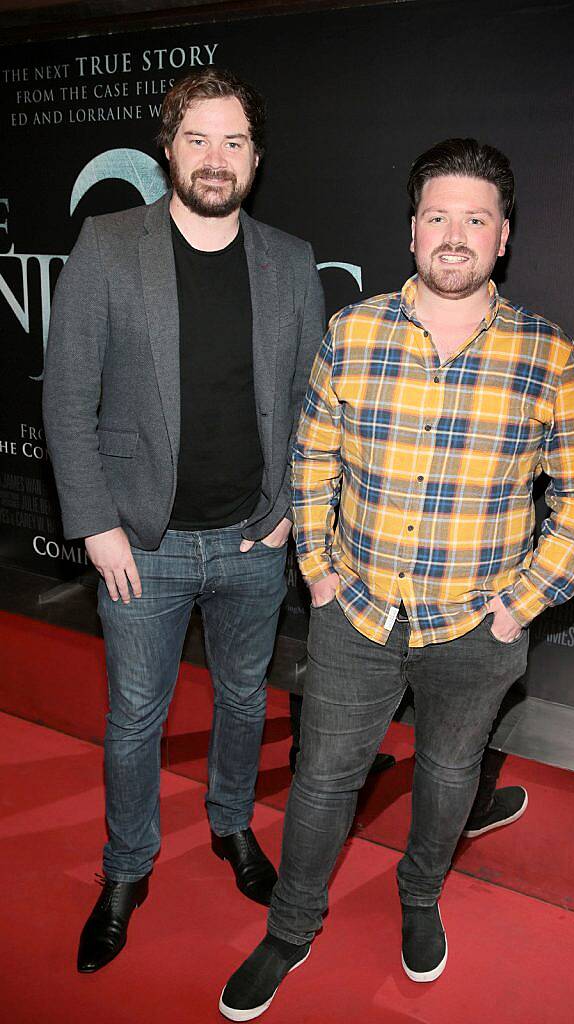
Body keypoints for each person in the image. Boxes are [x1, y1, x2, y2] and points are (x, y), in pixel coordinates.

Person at [219, 138, 574, 1020]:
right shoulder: (353, 332)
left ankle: (420, 895)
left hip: (477, 629)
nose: (455, 234)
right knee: (322, 779)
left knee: (447, 775)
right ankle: (290, 926)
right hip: (353, 611)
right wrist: (317, 570)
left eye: (476, 218)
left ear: (503, 237)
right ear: (411, 231)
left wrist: (518, 606)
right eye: (438, 216)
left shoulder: (549, 353)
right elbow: (311, 459)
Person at [42, 67, 325, 974]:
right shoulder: (109, 244)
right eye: (198, 139)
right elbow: (68, 398)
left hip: (254, 539)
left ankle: (233, 826)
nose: (216, 158)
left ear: (256, 157)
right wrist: (95, 525)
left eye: (234, 141)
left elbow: (312, 404)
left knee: (246, 699)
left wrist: (290, 512)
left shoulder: (288, 259)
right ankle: (126, 869)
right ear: (168, 149)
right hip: (140, 545)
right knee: (135, 716)